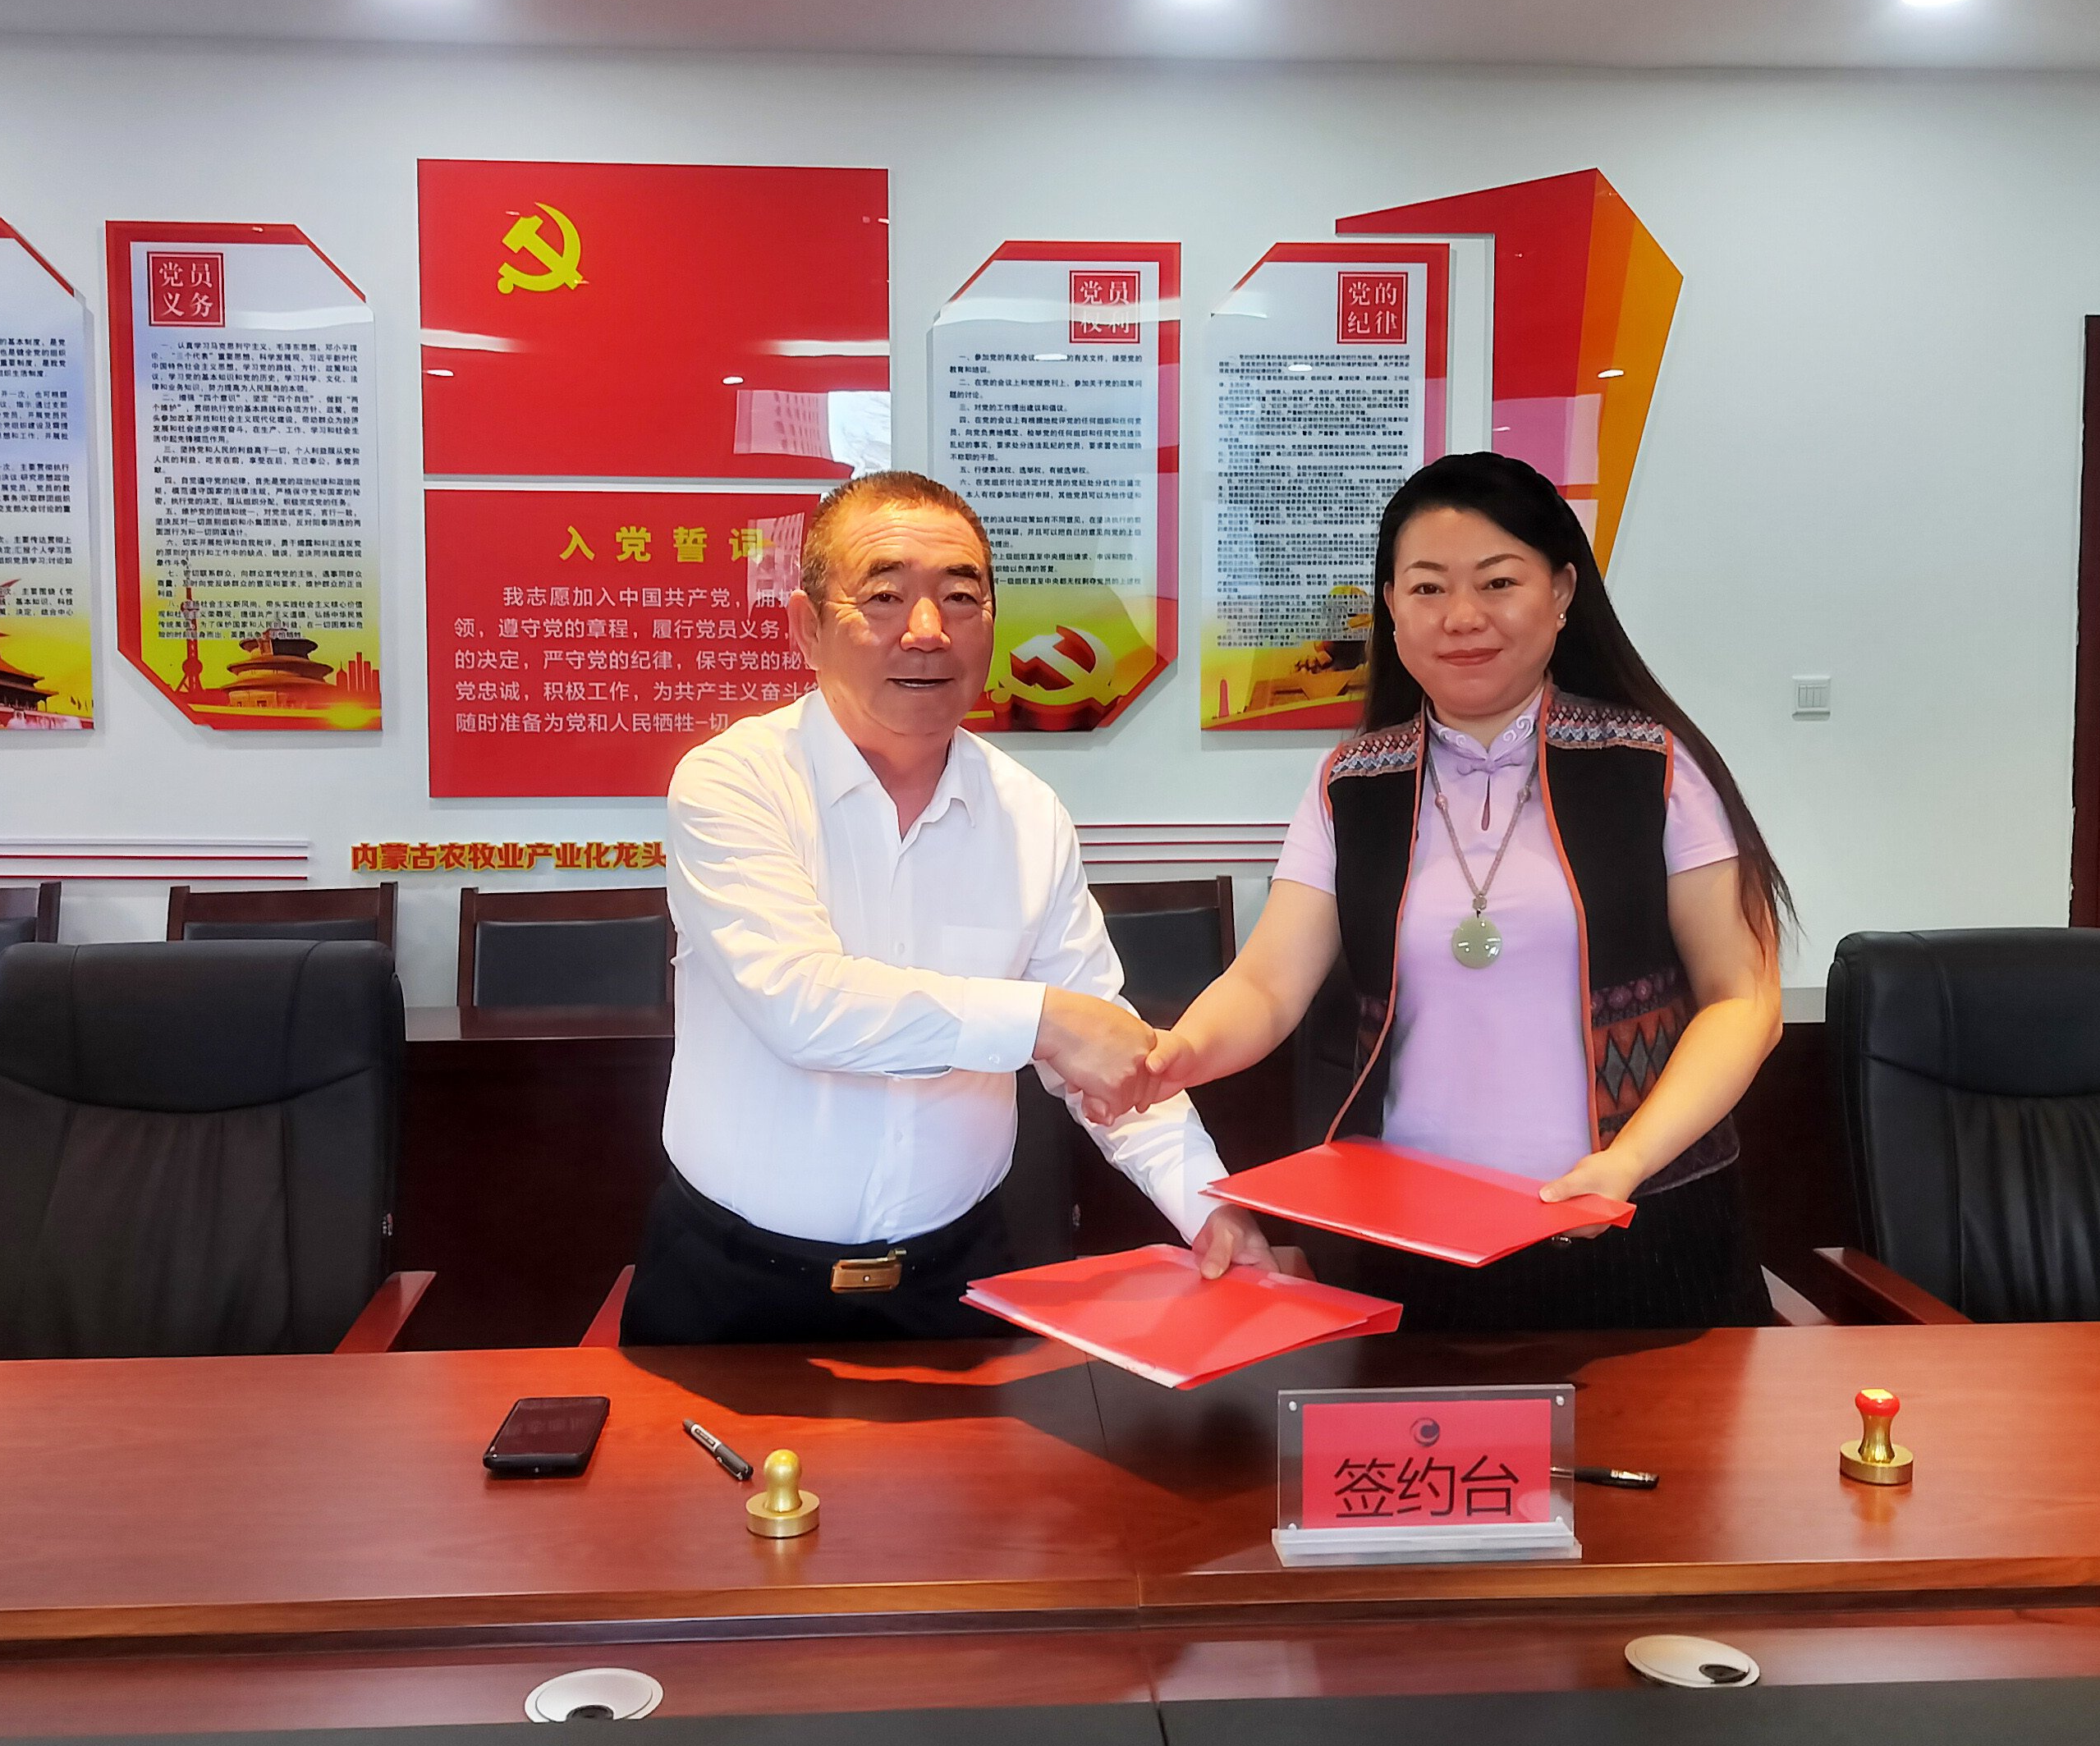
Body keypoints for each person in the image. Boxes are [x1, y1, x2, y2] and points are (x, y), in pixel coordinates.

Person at [624, 469, 1286, 1346]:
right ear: (807, 628)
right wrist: (1043, 1022)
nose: (928, 630)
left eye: (961, 597)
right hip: (729, 1289)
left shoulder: (1028, 815)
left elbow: (1107, 1047)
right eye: (885, 596)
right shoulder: (733, 782)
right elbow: (802, 1004)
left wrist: (1208, 1207)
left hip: (954, 1284)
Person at [1139, 451, 1792, 1331]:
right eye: (1427, 588)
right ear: (1391, 608)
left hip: (1641, 1228)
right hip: (1415, 1244)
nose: (1462, 617)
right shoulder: (1352, 784)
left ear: (1562, 592)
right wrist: (1180, 1052)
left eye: (1497, 582)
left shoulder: (1652, 766)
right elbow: (1265, 984)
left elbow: (1745, 998)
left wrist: (1628, 1162)